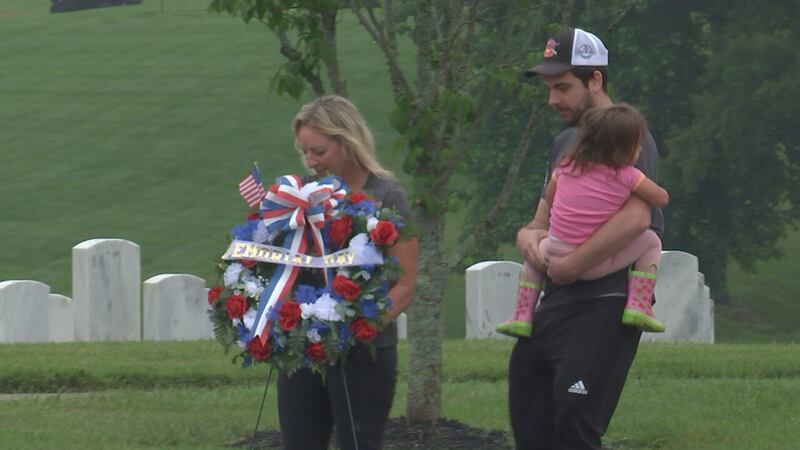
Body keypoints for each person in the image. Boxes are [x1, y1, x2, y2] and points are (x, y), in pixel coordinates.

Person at [507, 28, 665, 449]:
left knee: (575, 430)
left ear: (595, 80)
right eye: (549, 89)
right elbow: (540, 221)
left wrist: (574, 265)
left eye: (562, 87)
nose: (552, 100)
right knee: (530, 421)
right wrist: (528, 239)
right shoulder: (564, 143)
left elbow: (638, 217)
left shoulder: (628, 136)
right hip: (554, 302)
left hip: (605, 305)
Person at [277, 95, 419, 450]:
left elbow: (405, 285)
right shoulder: (303, 198)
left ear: (347, 141)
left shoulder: (387, 196)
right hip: (304, 348)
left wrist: (357, 328)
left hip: (364, 352)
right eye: (305, 152)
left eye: (319, 152)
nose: (311, 162)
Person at [496, 103, 669, 338]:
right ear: (620, 150)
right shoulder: (628, 175)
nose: (638, 152)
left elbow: (549, 196)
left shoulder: (567, 166)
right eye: (635, 146)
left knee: (534, 249)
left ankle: (521, 314)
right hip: (591, 263)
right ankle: (639, 304)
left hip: (554, 250)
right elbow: (661, 198)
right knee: (651, 241)